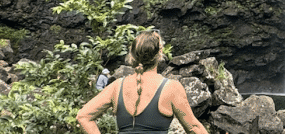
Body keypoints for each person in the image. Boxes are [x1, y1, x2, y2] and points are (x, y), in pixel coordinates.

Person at [76, 29, 210, 134]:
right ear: (160, 53)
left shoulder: (117, 86)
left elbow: (83, 116)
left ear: (132, 54)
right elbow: (194, 128)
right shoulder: (171, 88)